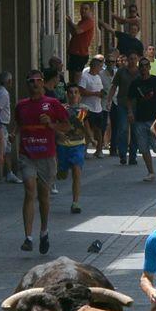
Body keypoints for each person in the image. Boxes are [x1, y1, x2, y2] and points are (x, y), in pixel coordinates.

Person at [15, 69, 71, 254]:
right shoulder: (21, 105)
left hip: (46, 155)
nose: (35, 84)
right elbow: (18, 126)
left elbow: (67, 125)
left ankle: (44, 231)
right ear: (27, 84)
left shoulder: (52, 103)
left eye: (38, 81)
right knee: (29, 190)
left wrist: (51, 124)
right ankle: (27, 237)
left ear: (43, 83)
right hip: (27, 154)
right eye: (31, 81)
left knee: (43, 195)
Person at [128, 57, 156, 182]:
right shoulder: (135, 83)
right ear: (139, 67)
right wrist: (130, 112)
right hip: (140, 119)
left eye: (146, 65)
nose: (144, 68)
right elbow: (129, 99)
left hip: (155, 119)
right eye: (141, 66)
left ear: (149, 67)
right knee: (143, 147)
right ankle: (151, 172)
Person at [55, 84, 90, 215]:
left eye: (76, 92)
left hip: (78, 144)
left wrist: (91, 138)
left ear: (80, 95)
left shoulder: (85, 110)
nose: (73, 95)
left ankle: (75, 202)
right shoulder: (61, 108)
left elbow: (86, 125)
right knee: (62, 174)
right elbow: (56, 124)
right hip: (63, 145)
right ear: (66, 95)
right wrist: (58, 134)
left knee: (76, 171)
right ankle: (61, 170)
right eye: (70, 92)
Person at [0, 72, 26, 183]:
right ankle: (1, 174)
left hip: (2, 125)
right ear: (9, 81)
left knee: (6, 149)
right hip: (1, 125)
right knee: (4, 150)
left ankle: (8, 172)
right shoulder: (4, 94)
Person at [110, 53, 142, 164]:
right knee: (123, 128)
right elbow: (114, 86)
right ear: (127, 60)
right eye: (131, 58)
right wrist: (109, 100)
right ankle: (122, 154)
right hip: (122, 103)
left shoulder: (140, 72)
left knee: (135, 131)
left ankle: (133, 156)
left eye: (134, 58)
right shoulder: (121, 71)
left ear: (137, 59)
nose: (132, 60)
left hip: (137, 105)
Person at [81, 56, 109, 159]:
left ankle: (99, 150)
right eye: (100, 67)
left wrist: (102, 93)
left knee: (99, 130)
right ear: (94, 66)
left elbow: (100, 90)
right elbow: (81, 91)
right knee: (87, 130)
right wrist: (94, 94)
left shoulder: (98, 77)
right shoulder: (85, 77)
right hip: (87, 108)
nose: (101, 69)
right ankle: (84, 150)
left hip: (98, 108)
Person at [66, 1, 96, 86]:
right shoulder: (81, 22)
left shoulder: (89, 22)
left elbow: (78, 30)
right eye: (82, 9)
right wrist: (69, 24)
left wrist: (70, 22)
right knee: (71, 79)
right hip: (73, 53)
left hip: (80, 54)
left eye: (86, 9)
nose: (83, 11)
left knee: (76, 81)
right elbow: (74, 33)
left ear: (90, 11)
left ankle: (77, 96)